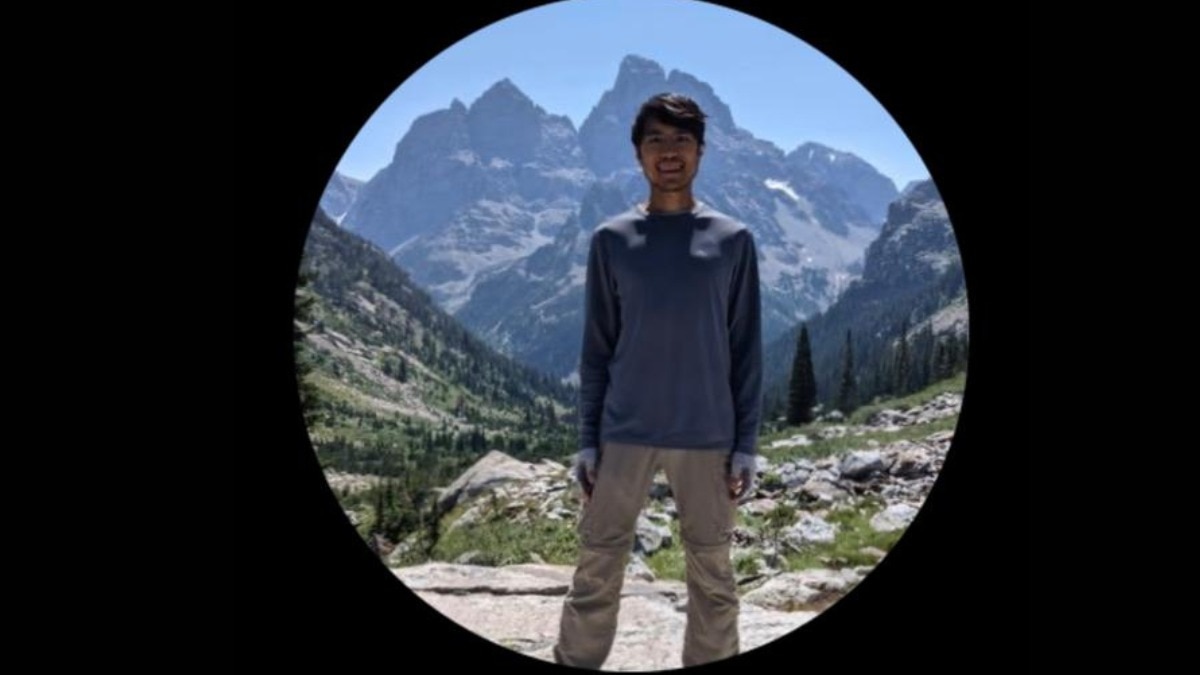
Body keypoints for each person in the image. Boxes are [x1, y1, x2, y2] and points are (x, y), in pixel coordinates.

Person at [552, 93, 763, 669]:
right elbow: (597, 349)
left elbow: (746, 350)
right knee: (596, 568)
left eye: (681, 140)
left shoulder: (734, 239)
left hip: (709, 434)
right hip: (623, 432)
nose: (669, 152)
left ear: (701, 151)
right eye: (656, 140)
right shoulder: (611, 239)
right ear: (638, 154)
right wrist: (587, 440)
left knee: (713, 577)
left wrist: (746, 444)